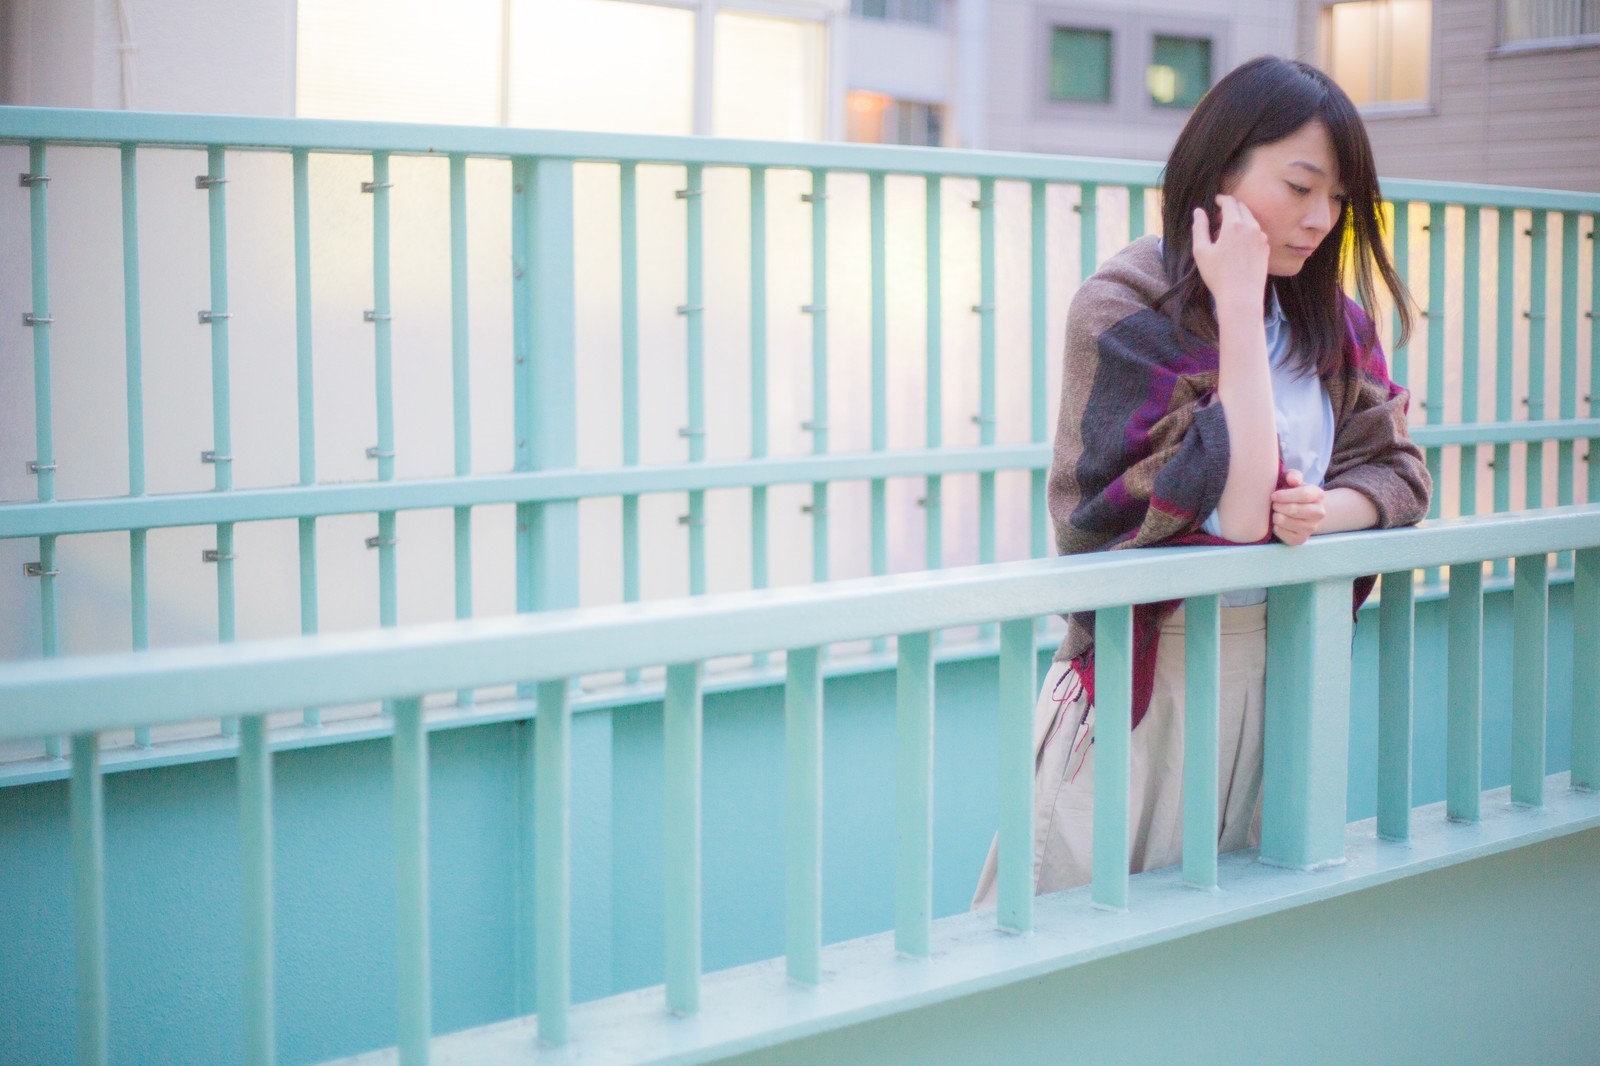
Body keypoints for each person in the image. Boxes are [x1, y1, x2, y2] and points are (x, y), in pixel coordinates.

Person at [971, 56, 1432, 906]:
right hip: (1147, 684)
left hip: (1283, 682)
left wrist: (1321, 512)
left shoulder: (1334, 320)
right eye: (1300, 188)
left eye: (1338, 200)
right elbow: (1234, 511)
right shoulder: (1123, 308)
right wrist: (1236, 306)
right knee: (1072, 961)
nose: (1321, 221)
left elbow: (1397, 472)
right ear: (1221, 171)